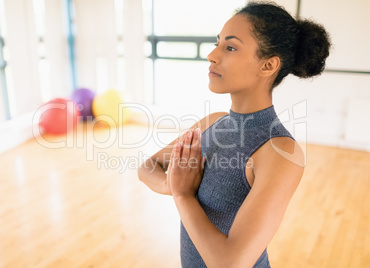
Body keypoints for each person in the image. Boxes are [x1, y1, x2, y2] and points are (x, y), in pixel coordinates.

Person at [138, 1, 331, 267]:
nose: (212, 55)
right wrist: (171, 184)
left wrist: (183, 195)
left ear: (268, 66)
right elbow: (148, 167)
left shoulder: (280, 152)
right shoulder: (212, 123)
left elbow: (230, 263)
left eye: (230, 47)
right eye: (217, 43)